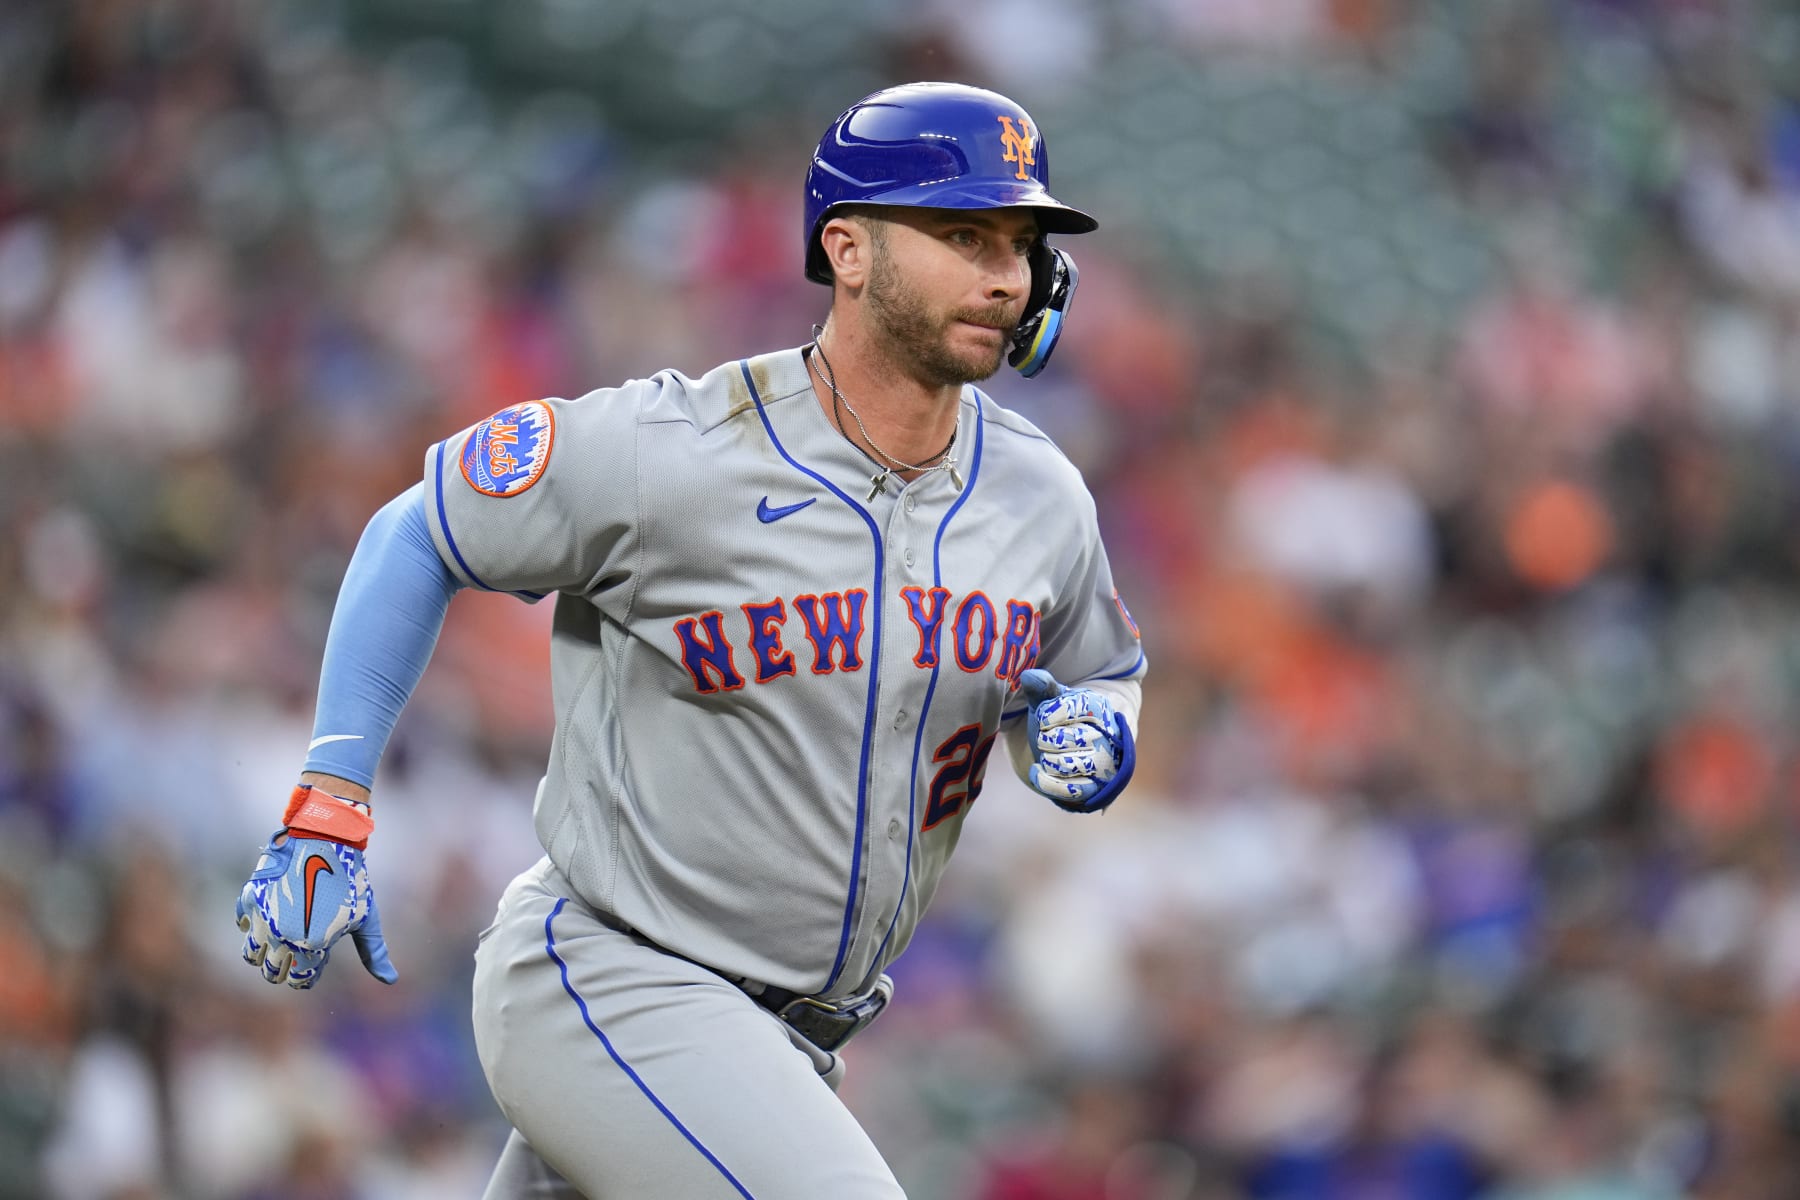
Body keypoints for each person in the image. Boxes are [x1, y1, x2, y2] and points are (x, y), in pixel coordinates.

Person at [234, 80, 1147, 1198]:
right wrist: (330, 799)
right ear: (848, 250)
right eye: (965, 235)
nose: (1006, 275)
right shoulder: (677, 449)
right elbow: (418, 531)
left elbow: (1104, 670)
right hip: (612, 977)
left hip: (789, 1046)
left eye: (1020, 244)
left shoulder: (1041, 497)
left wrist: (1097, 730)